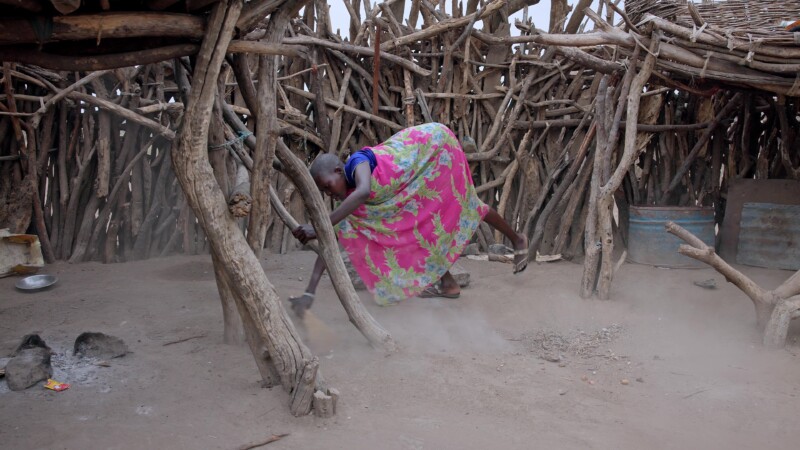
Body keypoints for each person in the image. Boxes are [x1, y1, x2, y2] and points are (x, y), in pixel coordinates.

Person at [289, 122, 528, 316]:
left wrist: (319, 225)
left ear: (338, 172)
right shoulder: (349, 201)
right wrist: (309, 292)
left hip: (434, 147)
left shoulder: (356, 164)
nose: (329, 194)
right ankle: (448, 283)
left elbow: (363, 192)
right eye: (325, 192)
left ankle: (517, 240)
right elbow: (329, 239)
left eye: (328, 186)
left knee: (468, 204)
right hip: (413, 173)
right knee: (414, 228)